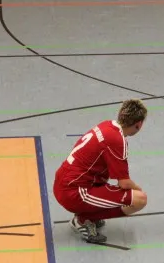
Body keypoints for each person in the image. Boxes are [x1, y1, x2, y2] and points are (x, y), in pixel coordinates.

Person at [53, 99, 149, 243]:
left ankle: (89, 213)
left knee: (108, 185)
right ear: (139, 124)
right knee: (140, 199)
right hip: (74, 192)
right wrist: (138, 189)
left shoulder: (106, 125)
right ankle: (83, 219)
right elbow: (124, 183)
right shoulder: (118, 140)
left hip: (63, 182)